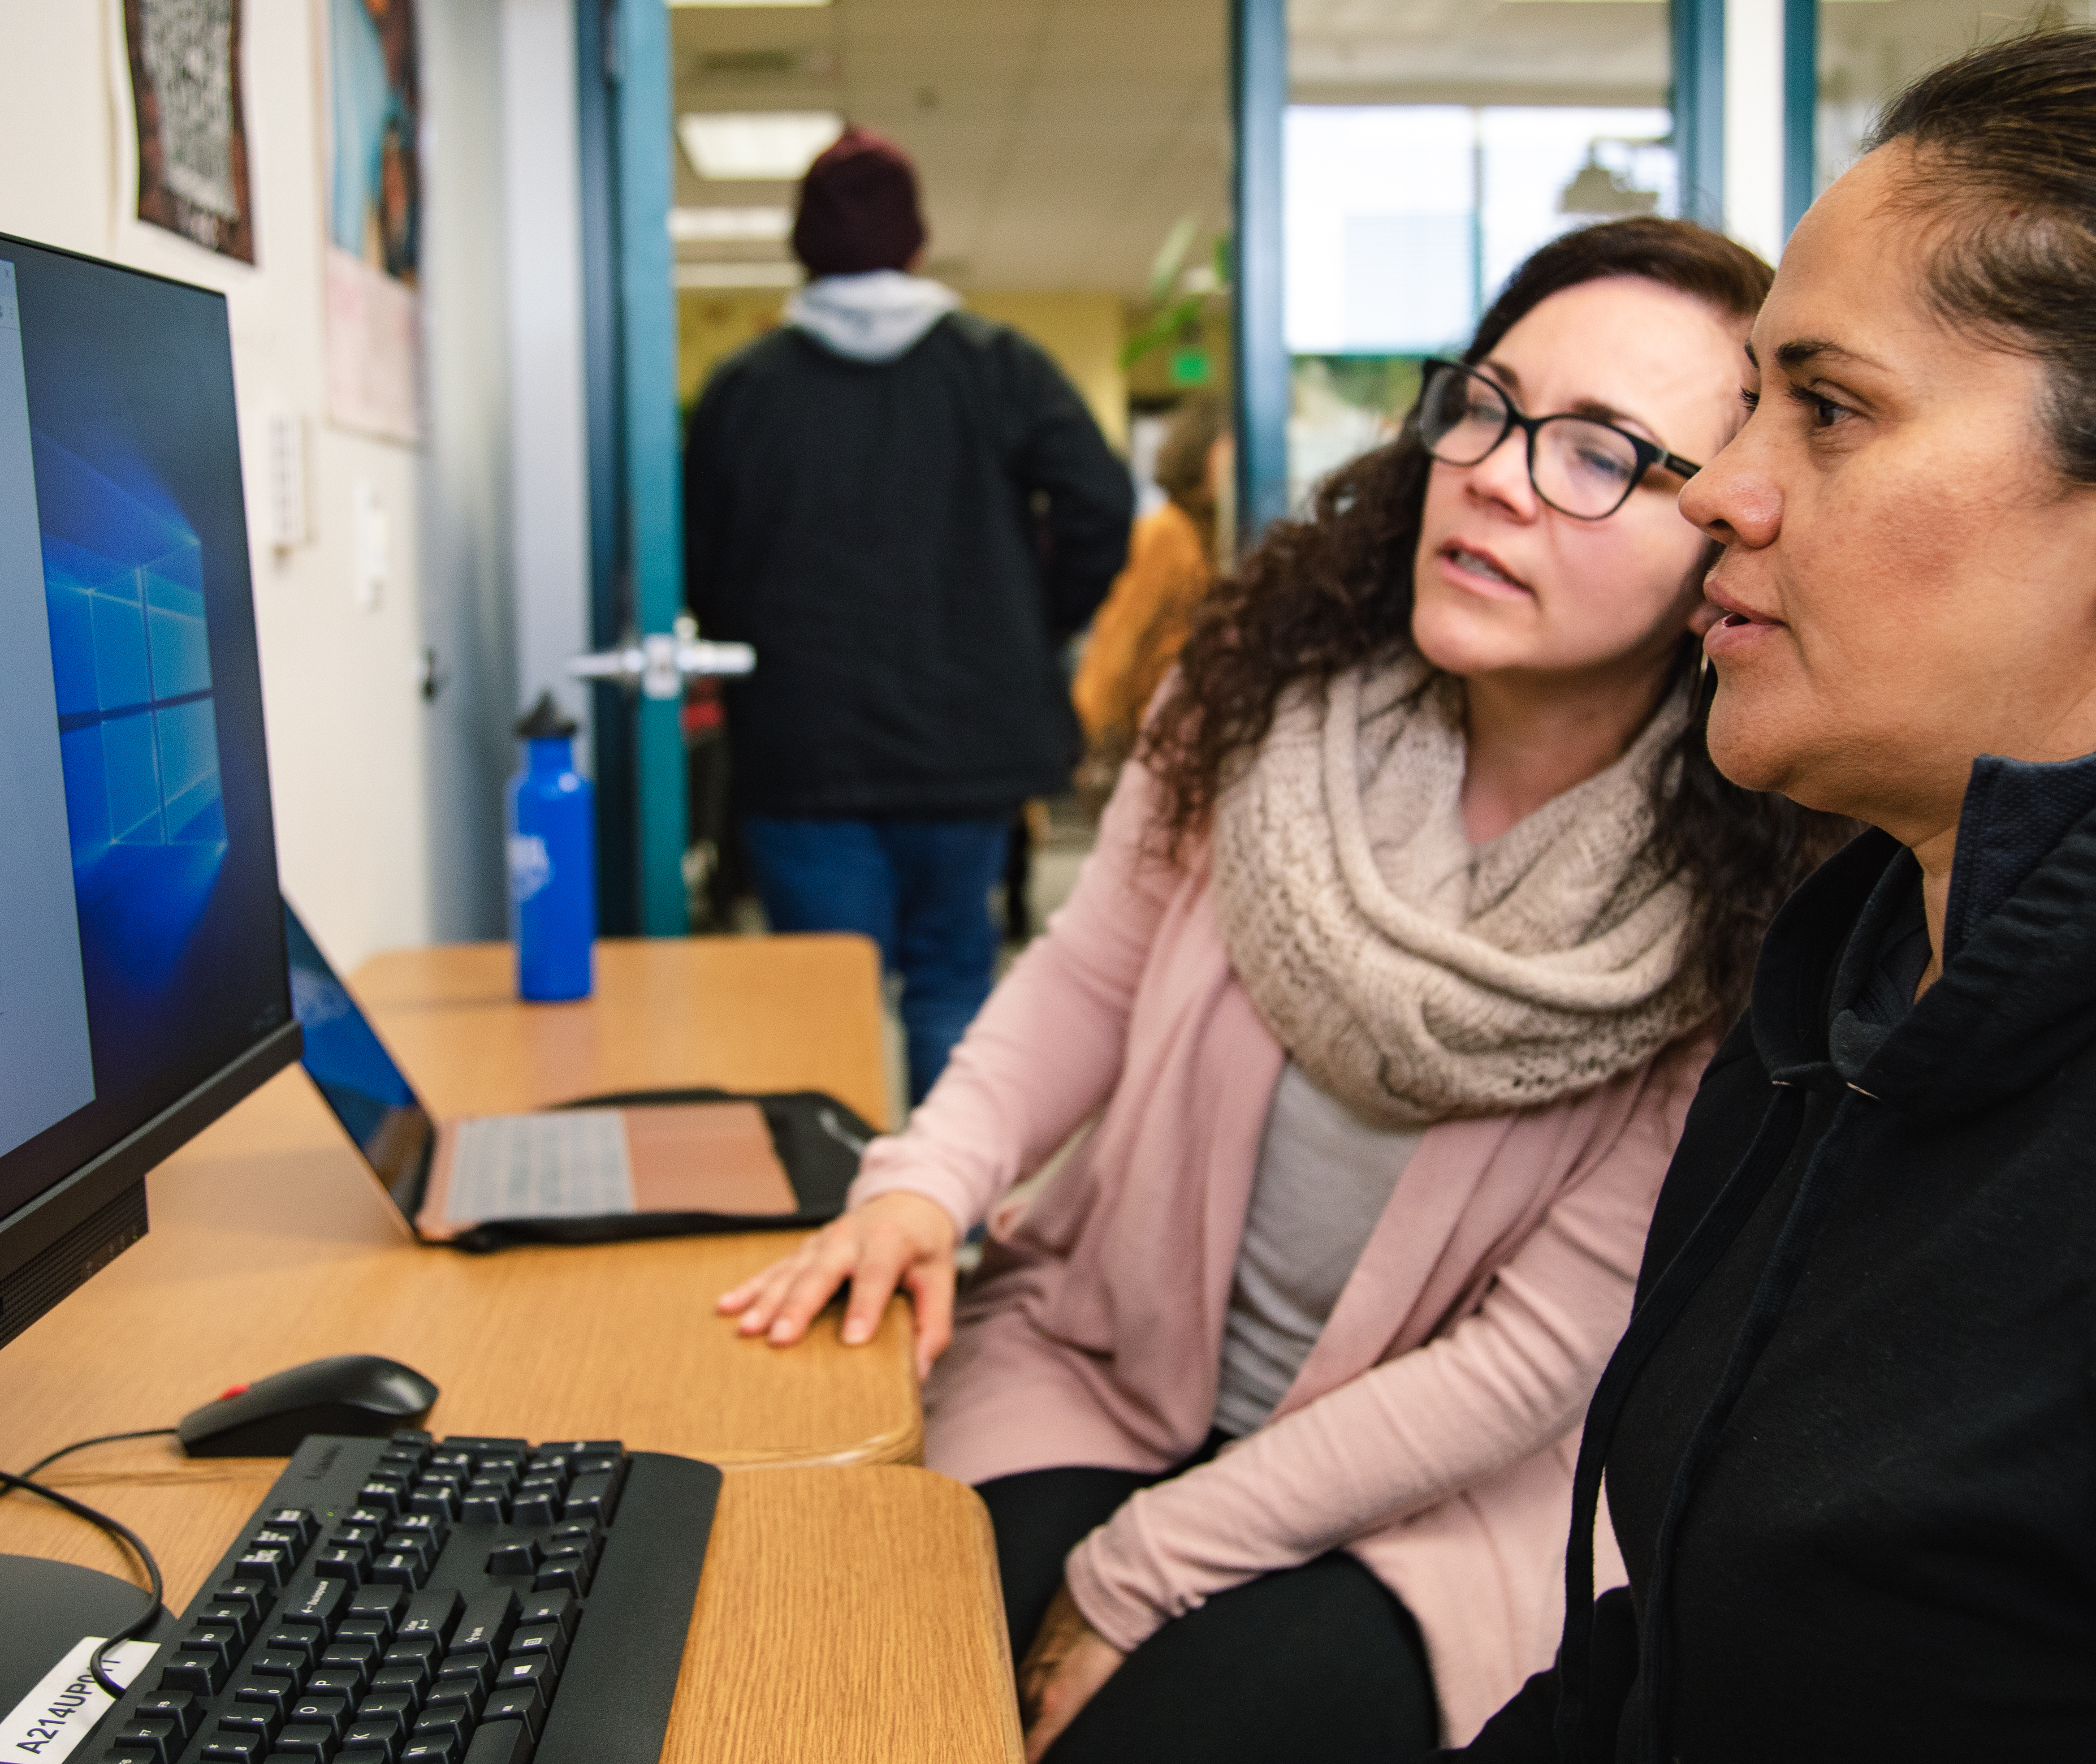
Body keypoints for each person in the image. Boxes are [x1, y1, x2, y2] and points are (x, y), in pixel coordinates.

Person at [1464, 25, 2096, 1762]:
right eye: (1753, 401)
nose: (1720, 491)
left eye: (1830, 410)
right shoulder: (1880, 944)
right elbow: (1718, 1647)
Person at [720, 218, 1845, 1762]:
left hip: (1430, 1496)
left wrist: (1141, 1568)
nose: (1495, 476)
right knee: (863, 1675)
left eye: (1599, 453)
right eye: (1487, 407)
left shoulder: (1753, 906)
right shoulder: (1259, 693)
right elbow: (1087, 977)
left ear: (1724, 534)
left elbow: (1533, 1358)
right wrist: (923, 1185)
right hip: (1101, 1366)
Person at [687, 127, 1131, 1100]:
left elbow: (700, 566)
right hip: (964, 746)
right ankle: (942, 1196)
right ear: (918, 243)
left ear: (803, 247)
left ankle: (832, 1190)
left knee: (823, 1007)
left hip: (805, 751)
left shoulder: (746, 390)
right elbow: (1101, 504)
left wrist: (756, 633)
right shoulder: (1000, 368)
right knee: (951, 986)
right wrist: (1035, 624)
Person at [1071, 392, 1235, 804]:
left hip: (1187, 745)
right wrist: (1087, 740)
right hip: (1155, 747)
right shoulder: (1166, 533)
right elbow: (1116, 642)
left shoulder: (1212, 535)